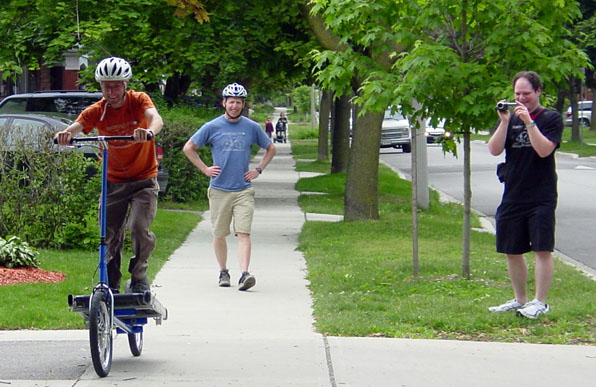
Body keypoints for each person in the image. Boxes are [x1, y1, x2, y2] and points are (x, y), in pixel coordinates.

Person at [55, 57, 163, 294]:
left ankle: (139, 276)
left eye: (116, 86)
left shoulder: (138, 100)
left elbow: (156, 119)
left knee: (138, 226)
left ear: (125, 85)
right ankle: (110, 282)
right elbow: (79, 125)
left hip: (143, 180)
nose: (111, 91)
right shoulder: (98, 110)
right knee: (109, 233)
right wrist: (65, 134)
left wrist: (148, 132)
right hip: (113, 182)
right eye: (106, 86)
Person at [183, 83, 276, 291]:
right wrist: (205, 169)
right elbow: (189, 148)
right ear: (224, 103)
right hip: (219, 189)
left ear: (243, 105)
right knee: (220, 233)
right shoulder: (212, 126)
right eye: (231, 102)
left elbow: (270, 148)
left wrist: (258, 170)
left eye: (239, 102)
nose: (234, 106)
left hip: (243, 189)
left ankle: (245, 274)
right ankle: (224, 271)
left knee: (243, 233)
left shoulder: (251, 127)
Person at [487, 71, 563, 319]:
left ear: (538, 92)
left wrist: (529, 122)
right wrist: (505, 122)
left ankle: (540, 301)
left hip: (541, 194)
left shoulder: (550, 118)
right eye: (517, 94)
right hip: (513, 192)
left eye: (526, 94)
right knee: (512, 249)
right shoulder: (510, 119)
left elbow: (544, 151)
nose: (521, 98)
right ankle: (519, 299)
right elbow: (494, 150)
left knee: (542, 248)